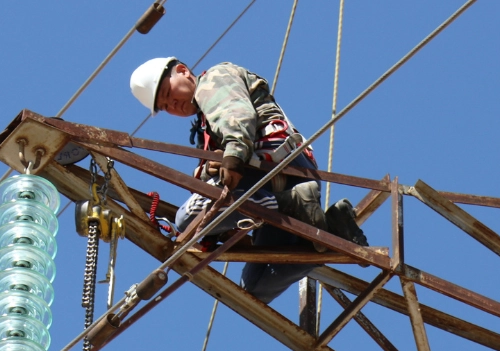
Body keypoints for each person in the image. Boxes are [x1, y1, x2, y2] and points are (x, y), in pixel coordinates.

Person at [129, 57, 366, 303]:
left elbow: (235, 114)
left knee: (186, 218)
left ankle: (293, 202)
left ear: (183, 71)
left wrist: (232, 156)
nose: (173, 104)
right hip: (270, 185)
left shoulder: (213, 80)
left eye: (168, 93)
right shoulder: (204, 126)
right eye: (165, 106)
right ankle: (333, 227)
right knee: (254, 288)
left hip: (276, 168)